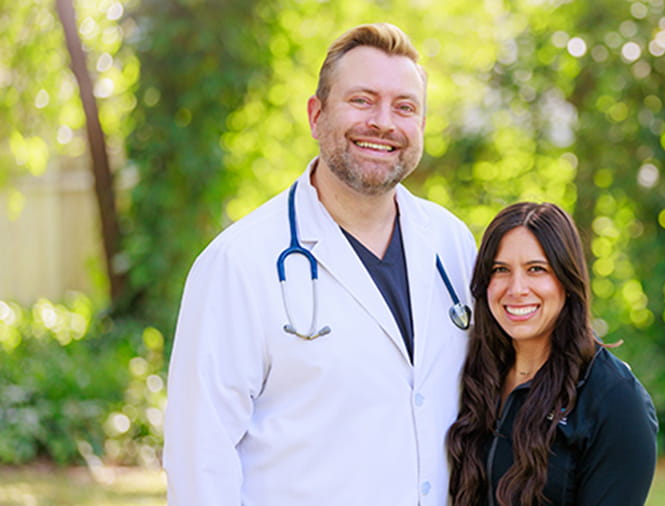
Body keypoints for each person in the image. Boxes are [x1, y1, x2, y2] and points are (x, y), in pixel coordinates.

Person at [163, 23, 476, 505]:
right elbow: (199, 461)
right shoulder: (238, 264)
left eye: (405, 107)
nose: (383, 123)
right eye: (362, 100)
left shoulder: (452, 244)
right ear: (316, 115)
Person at [446, 202, 658, 506]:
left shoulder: (615, 398)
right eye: (500, 270)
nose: (516, 288)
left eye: (536, 269)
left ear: (566, 279)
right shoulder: (475, 374)